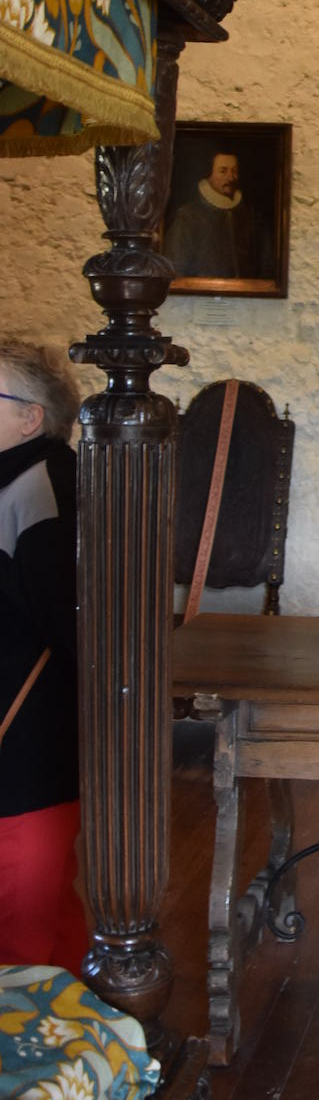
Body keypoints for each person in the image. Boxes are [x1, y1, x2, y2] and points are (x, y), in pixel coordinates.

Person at [0, 336, 88, 970]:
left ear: (30, 417)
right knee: (45, 913)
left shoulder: (42, 488)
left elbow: (73, 624)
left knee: (21, 918)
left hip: (28, 740)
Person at [165, 145, 266, 280]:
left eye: (234, 171)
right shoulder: (188, 216)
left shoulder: (250, 215)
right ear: (209, 175)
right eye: (223, 171)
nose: (230, 177)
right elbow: (175, 268)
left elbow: (265, 266)